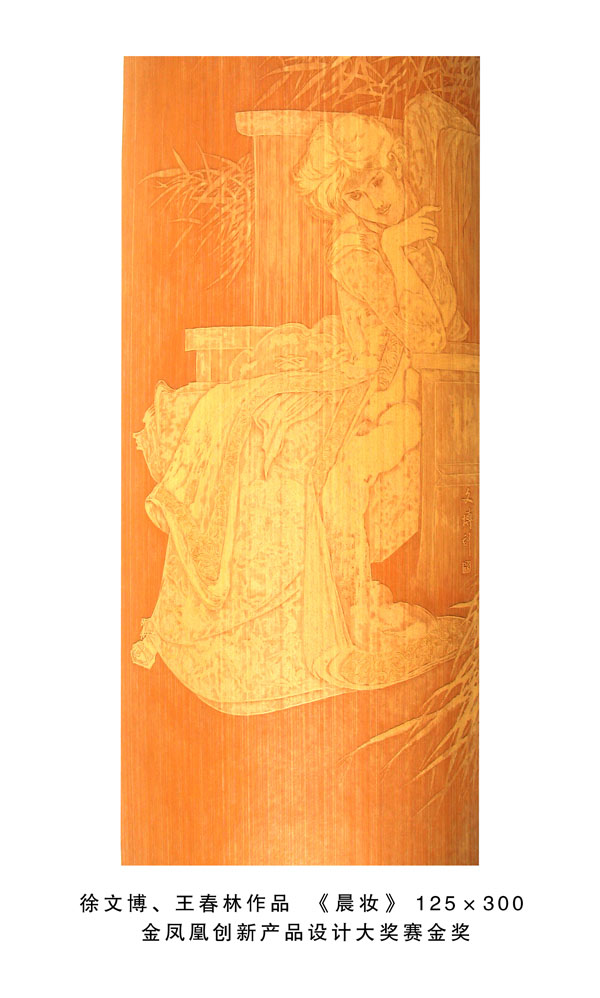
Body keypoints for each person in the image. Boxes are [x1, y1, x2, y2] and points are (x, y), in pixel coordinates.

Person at [131, 100, 472, 714]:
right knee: (264, 439)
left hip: (403, 388)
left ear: (395, 168)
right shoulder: (356, 250)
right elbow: (416, 334)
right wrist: (396, 252)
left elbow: (442, 330)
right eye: (356, 196)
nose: (374, 201)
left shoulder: (414, 233)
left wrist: (404, 250)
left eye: (378, 182)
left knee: (306, 456)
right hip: (364, 382)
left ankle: (335, 610)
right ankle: (283, 619)